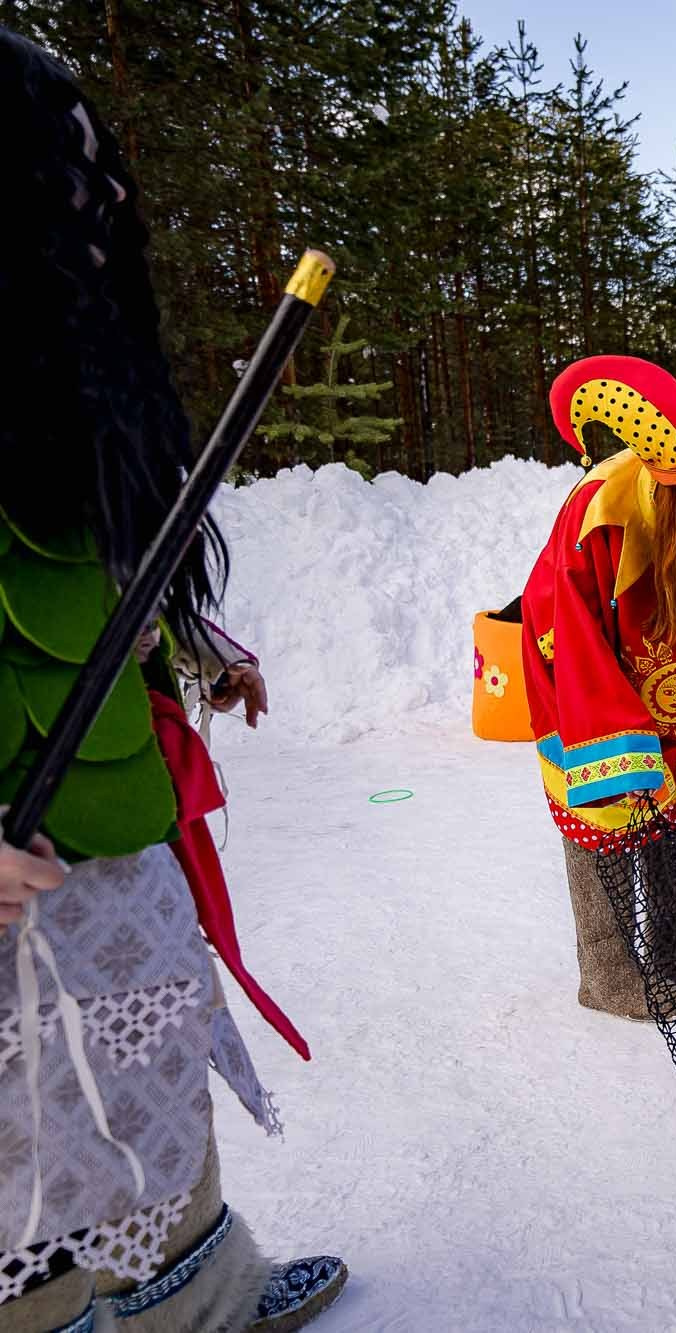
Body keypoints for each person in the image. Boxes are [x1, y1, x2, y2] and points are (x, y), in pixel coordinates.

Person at [0, 28, 344, 1329]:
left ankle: (202, 1299)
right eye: (54, 186)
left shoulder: (67, 392)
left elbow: (91, 572)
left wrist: (187, 641)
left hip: (111, 853)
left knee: (154, 1084)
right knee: (19, 1170)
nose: (86, 221)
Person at [520, 354, 676, 1022]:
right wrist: (615, 744)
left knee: (668, 808)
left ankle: (668, 947)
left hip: (665, 681)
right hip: (581, 686)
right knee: (604, 815)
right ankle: (607, 972)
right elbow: (572, 636)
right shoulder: (597, 512)